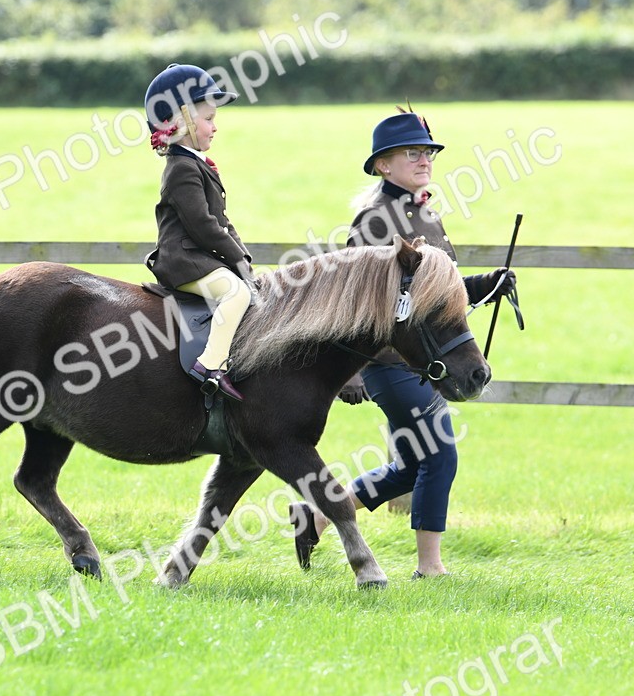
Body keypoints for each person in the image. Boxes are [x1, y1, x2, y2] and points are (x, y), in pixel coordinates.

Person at [291, 107, 516, 578]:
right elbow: (350, 300)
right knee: (441, 454)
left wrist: (488, 283)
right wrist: (350, 374)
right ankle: (430, 568)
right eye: (412, 153)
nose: (424, 160)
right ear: (382, 166)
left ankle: (314, 515)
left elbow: (439, 294)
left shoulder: (426, 213)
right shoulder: (376, 221)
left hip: (424, 361)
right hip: (390, 363)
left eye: (428, 153)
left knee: (413, 465)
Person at [143, 63, 254, 402]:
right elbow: (203, 226)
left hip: (199, 256)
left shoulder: (196, 164)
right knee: (236, 293)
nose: (215, 127)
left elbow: (222, 221)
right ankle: (209, 364)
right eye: (208, 119)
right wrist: (234, 262)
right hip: (184, 260)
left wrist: (244, 256)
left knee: (246, 286)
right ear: (183, 122)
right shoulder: (180, 169)